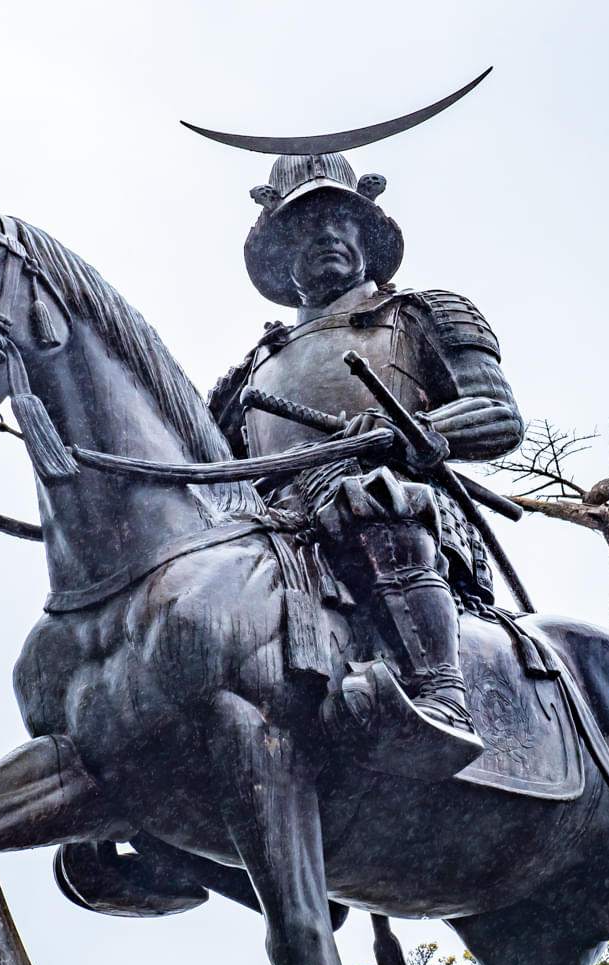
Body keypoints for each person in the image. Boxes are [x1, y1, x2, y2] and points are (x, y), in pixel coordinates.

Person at [207, 151, 525, 779]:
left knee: (372, 498)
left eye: (339, 221)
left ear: (365, 233)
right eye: (303, 227)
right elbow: (206, 479)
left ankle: (441, 693)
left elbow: (499, 416)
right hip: (278, 530)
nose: (324, 236)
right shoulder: (248, 375)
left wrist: (414, 431)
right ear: (281, 254)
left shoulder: (421, 317)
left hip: (402, 508)